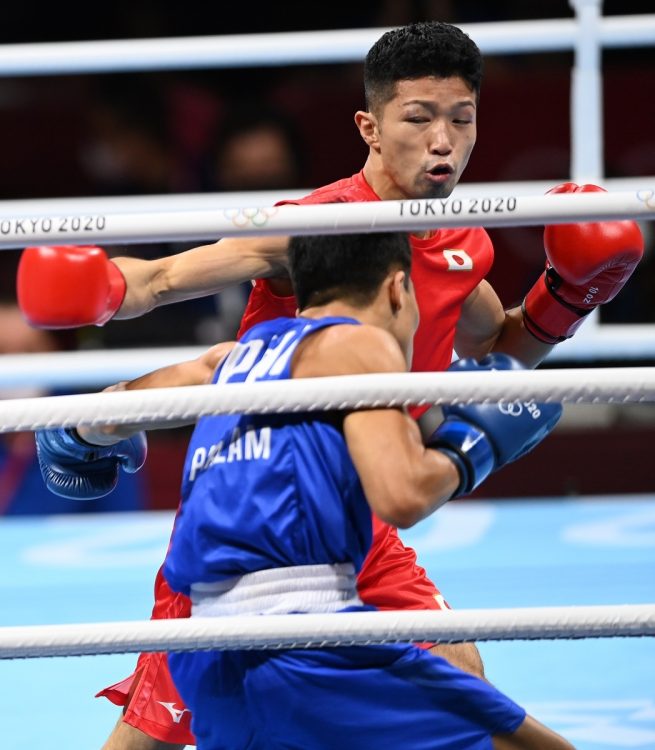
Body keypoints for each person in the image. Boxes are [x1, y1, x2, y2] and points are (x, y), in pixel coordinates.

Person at [16, 20, 642, 750]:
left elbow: (500, 348)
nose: (442, 140)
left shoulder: (460, 242)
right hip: (258, 510)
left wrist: (566, 296)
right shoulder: (314, 229)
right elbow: (163, 279)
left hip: (362, 508)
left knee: (457, 672)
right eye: (418, 118)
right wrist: (95, 287)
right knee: (156, 734)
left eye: (461, 119)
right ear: (369, 127)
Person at [35, 231, 572, 749]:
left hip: (207, 654)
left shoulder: (238, 355)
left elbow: (118, 405)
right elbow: (403, 496)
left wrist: (81, 433)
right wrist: (473, 446)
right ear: (397, 289)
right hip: (307, 637)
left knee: (455, 668)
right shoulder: (361, 346)